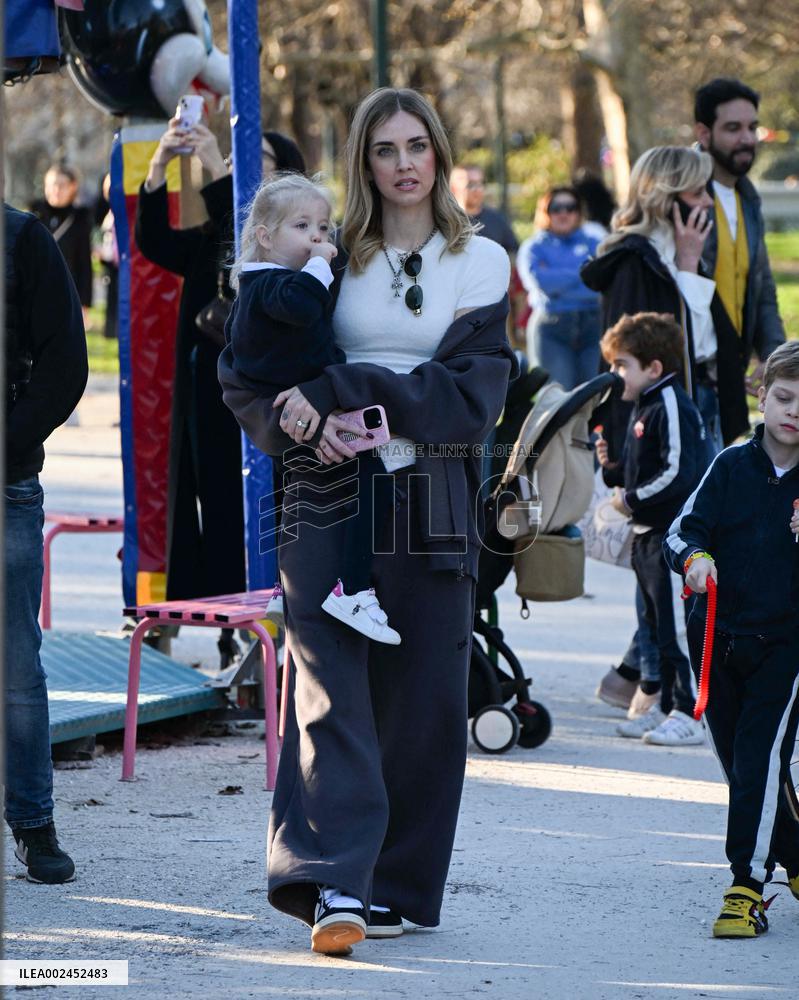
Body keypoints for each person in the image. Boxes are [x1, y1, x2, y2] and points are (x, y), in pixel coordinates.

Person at [219, 87, 515, 955]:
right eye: (384, 149)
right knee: (328, 682)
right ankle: (333, 881)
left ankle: (394, 883)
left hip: (434, 490)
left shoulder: (480, 260)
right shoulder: (325, 253)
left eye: (416, 145)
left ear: (440, 152)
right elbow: (245, 370)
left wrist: (341, 388)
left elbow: (472, 394)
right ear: (363, 162)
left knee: (423, 694)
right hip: (325, 490)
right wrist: (295, 420)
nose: (403, 164)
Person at [135, 117, 306, 627]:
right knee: (208, 498)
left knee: (248, 506)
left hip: (259, 398)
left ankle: (261, 620)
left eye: (258, 160)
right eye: (236, 157)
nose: (239, 165)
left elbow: (248, 236)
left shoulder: (295, 239)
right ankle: (229, 618)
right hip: (205, 390)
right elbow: (155, 242)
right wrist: (159, 165)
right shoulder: (216, 231)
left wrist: (215, 166)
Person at [664, 340, 799, 937]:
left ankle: (747, 885)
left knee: (761, 757)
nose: (794, 412)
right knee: (743, 767)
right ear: (762, 397)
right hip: (715, 640)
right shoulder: (728, 465)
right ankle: (793, 852)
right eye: (785, 398)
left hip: (786, 646)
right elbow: (680, 531)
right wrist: (694, 559)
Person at [227, 173, 398, 643]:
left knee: (301, 501)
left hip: (301, 415)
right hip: (302, 417)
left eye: (323, 228)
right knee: (371, 484)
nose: (318, 239)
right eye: (301, 227)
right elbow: (302, 307)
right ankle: (351, 589)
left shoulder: (272, 284)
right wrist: (321, 264)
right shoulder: (271, 284)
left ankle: (289, 589)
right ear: (265, 237)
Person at [582, 145, 717, 716]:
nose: (706, 202)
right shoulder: (636, 260)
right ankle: (655, 683)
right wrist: (620, 450)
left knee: (671, 551)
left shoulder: (674, 253)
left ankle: (642, 677)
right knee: (659, 553)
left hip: (686, 411)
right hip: (656, 425)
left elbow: (703, 345)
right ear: (666, 196)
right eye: (696, 191)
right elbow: (641, 360)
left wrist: (688, 264)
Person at [5, 200, 88, 882]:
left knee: (14, 665)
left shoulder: (22, 238)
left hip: (5, 484)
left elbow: (65, 365)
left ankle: (33, 823)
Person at [597, 313, 707, 746]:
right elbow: (640, 468)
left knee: (678, 628)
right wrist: (612, 469)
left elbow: (679, 472)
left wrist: (631, 499)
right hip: (645, 535)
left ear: (654, 367)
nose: (615, 373)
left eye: (622, 364)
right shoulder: (644, 404)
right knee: (657, 627)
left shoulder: (671, 404)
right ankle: (663, 706)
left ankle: (691, 712)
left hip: (670, 537)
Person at [694, 78, 786, 445]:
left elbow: (762, 288)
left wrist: (774, 359)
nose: (747, 138)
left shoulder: (747, 199)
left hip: (731, 380)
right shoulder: (683, 195)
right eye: (733, 128)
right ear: (704, 133)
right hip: (689, 379)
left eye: (752, 127)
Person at [516, 185, 602, 389]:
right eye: (556, 208)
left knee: (595, 395)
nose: (563, 213)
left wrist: (557, 276)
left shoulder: (595, 242)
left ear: (579, 212)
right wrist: (584, 270)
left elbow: (601, 283)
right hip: (551, 328)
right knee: (557, 397)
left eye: (570, 207)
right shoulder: (533, 247)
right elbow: (542, 283)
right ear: (545, 212)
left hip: (593, 326)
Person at [30, 164, 94, 330]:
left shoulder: (79, 219)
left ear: (73, 187)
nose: (56, 190)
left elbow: (84, 264)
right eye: (52, 185)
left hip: (66, 292)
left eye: (61, 185)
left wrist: (84, 304)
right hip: (34, 291)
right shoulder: (32, 216)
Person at [449, 163, 518, 256]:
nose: (477, 189)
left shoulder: (497, 220)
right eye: (470, 184)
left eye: (480, 183)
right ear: (453, 189)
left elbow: (513, 254)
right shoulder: (445, 221)